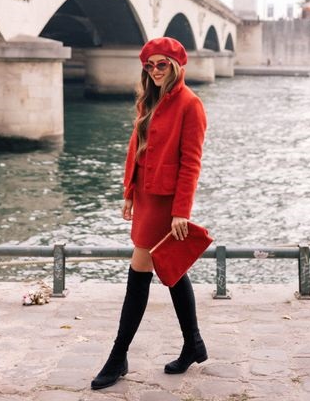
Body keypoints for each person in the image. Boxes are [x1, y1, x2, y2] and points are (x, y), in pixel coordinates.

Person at [91, 37, 208, 390]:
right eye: (149, 65)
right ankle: (193, 343)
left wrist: (181, 211)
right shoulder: (149, 101)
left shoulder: (191, 104)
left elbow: (191, 163)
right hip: (145, 197)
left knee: (141, 270)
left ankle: (118, 356)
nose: (155, 71)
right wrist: (128, 193)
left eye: (161, 65)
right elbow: (136, 151)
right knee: (171, 270)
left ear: (175, 66)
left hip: (166, 201)